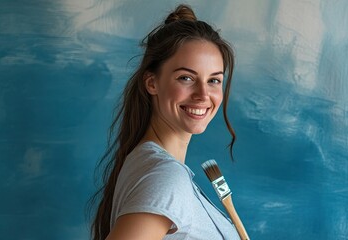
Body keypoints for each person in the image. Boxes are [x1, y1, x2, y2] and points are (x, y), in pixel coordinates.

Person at [90, 4, 239, 240]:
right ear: (152, 83)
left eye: (214, 80)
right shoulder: (167, 178)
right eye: (186, 78)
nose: (203, 95)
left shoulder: (150, 163)